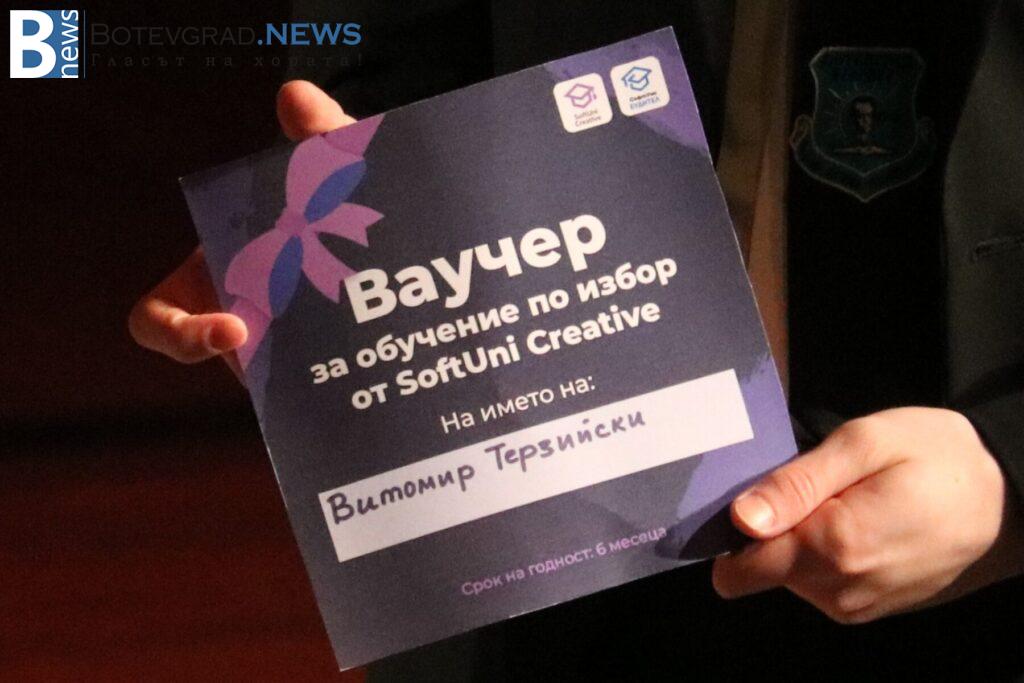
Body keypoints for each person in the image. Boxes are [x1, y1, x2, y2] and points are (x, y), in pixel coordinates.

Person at [130, 1, 1024, 679]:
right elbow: (386, 46)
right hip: (543, 543)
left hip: (970, 547)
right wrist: (326, 248)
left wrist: (1013, 476)